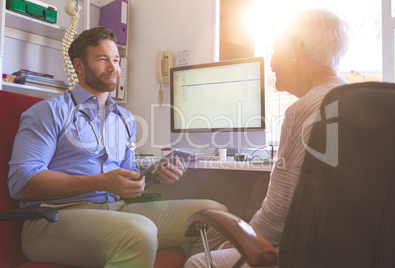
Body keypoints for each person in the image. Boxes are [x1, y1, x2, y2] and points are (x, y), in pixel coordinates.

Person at [8, 26, 227, 268]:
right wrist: (101, 182)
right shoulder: (48, 112)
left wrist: (154, 175)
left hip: (115, 210)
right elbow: (22, 183)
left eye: (115, 59)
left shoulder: (125, 119)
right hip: (52, 219)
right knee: (139, 232)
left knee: (215, 215)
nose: (113, 68)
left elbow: (125, 185)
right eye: (102, 60)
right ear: (79, 66)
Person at [185, 8, 351, 268]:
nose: (271, 63)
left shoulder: (306, 109)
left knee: (199, 261)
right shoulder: (362, 101)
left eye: (274, 51)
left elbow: (276, 217)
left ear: (296, 48)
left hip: (309, 254)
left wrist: (238, 241)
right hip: (363, 250)